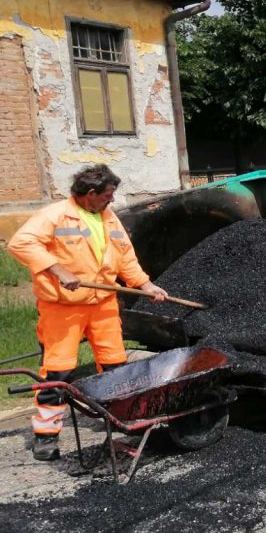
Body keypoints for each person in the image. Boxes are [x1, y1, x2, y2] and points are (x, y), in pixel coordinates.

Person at [7, 164, 167, 461]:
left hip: (103, 304)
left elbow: (125, 257)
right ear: (90, 193)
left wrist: (146, 285)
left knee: (116, 366)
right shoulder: (55, 215)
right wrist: (57, 269)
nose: (112, 200)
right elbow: (20, 243)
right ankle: (46, 435)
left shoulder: (108, 217)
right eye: (108, 195)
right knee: (57, 372)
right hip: (63, 308)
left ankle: (120, 418)